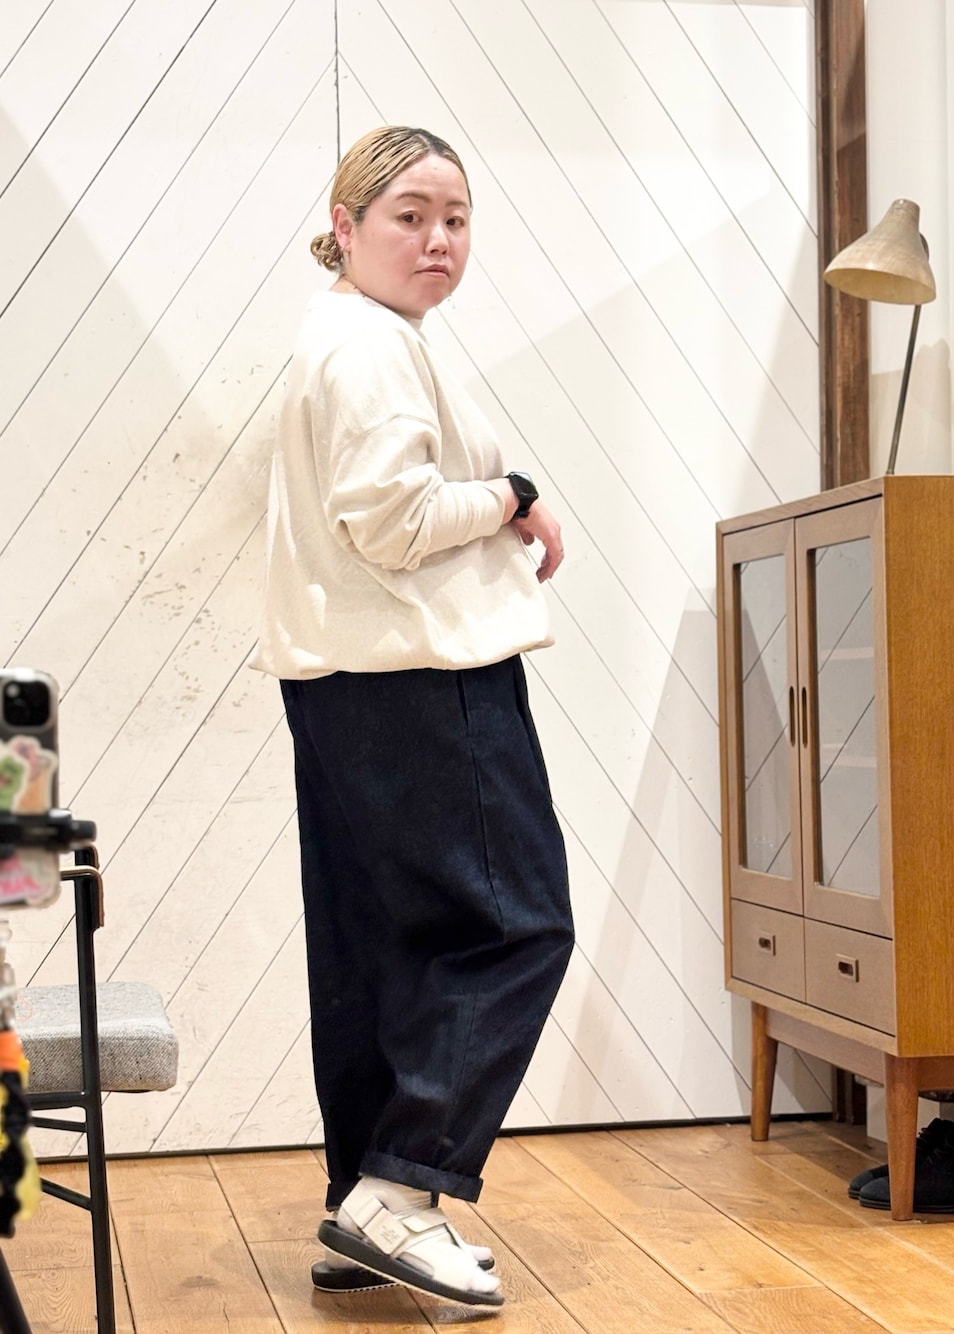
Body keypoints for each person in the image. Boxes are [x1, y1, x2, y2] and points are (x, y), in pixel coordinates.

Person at [251, 125, 575, 1309]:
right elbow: (391, 522)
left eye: (456, 218)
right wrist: (513, 494)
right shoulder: (373, 349)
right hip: (423, 675)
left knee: (379, 948)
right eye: (409, 215)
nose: (438, 239)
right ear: (344, 225)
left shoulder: (340, 335)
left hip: (345, 681)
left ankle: (363, 1203)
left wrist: (491, 497)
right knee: (516, 924)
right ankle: (400, 1189)